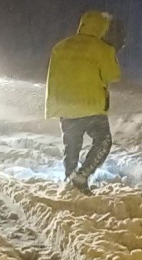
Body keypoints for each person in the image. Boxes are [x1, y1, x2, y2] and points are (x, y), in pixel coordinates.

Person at [45, 10, 124, 194]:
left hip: (65, 105)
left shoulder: (60, 46)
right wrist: (112, 52)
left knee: (71, 145)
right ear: (102, 28)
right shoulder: (102, 48)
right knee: (103, 141)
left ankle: (69, 178)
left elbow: (53, 76)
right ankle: (82, 176)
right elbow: (113, 75)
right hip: (90, 105)